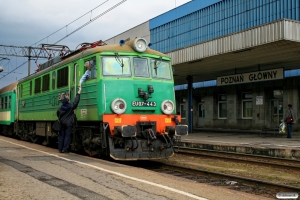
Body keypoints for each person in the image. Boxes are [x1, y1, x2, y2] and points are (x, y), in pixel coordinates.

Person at [56, 88, 81, 153]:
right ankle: (65, 149)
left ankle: (60, 149)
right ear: (67, 102)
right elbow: (76, 102)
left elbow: (58, 115)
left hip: (62, 123)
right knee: (67, 136)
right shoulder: (70, 106)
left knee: (61, 136)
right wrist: (78, 94)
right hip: (68, 124)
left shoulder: (60, 108)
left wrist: (61, 119)